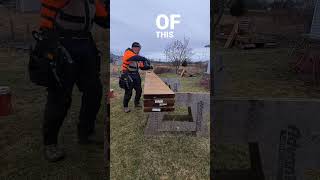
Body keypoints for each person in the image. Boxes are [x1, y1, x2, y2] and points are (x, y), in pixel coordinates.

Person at [37, 0, 109, 162]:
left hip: (85, 45)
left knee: (94, 91)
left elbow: (105, 20)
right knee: (59, 97)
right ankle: (50, 143)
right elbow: (47, 12)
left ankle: (86, 133)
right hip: (61, 43)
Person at [121, 42, 151, 113]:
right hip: (127, 74)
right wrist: (144, 58)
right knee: (129, 92)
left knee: (139, 90)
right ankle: (125, 107)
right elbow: (134, 57)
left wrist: (149, 67)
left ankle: (136, 103)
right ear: (134, 47)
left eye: (140, 49)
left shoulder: (137, 56)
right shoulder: (128, 52)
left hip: (136, 75)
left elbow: (142, 67)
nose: (139, 50)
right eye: (138, 49)